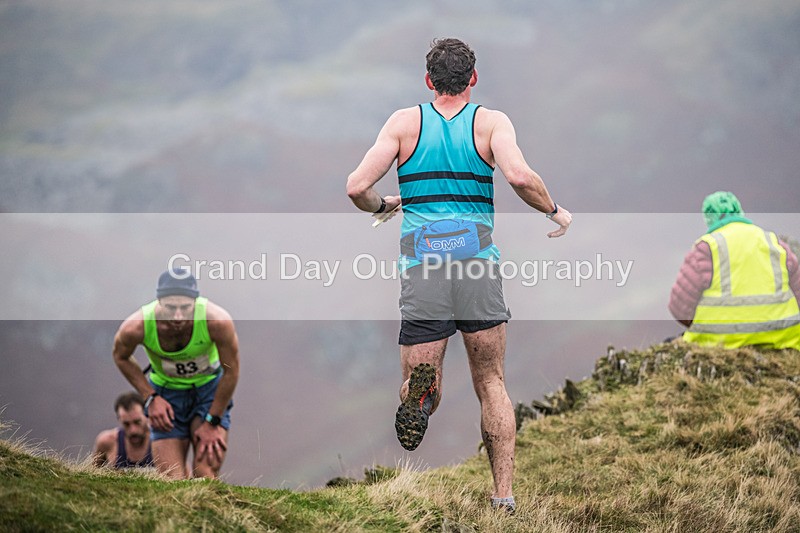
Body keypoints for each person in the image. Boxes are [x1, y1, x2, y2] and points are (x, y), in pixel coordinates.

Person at [346, 38, 572, 513]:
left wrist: (384, 204)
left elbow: (357, 187)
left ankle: (421, 396)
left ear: (429, 81)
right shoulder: (490, 123)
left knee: (424, 382)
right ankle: (503, 498)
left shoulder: (404, 123)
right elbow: (520, 178)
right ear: (473, 79)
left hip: (422, 265)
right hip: (477, 264)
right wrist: (554, 211)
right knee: (491, 382)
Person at [112, 268, 240, 479]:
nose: (178, 316)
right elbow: (120, 356)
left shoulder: (217, 322)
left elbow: (231, 371)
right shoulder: (136, 327)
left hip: (209, 392)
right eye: (171, 308)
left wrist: (213, 421)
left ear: (196, 302)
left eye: (185, 308)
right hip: (166, 395)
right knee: (172, 481)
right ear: (158, 303)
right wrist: (150, 398)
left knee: (205, 474)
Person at [669, 191, 800, 350]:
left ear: (709, 219)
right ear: (740, 211)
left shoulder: (707, 248)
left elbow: (679, 306)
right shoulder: (773, 241)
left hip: (721, 340)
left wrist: (696, 325)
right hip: (782, 336)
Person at [92, 391, 154, 469]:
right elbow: (91, 475)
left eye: (137, 422)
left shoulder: (161, 442)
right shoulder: (107, 442)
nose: (133, 430)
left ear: (147, 415)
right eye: (126, 424)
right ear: (119, 419)